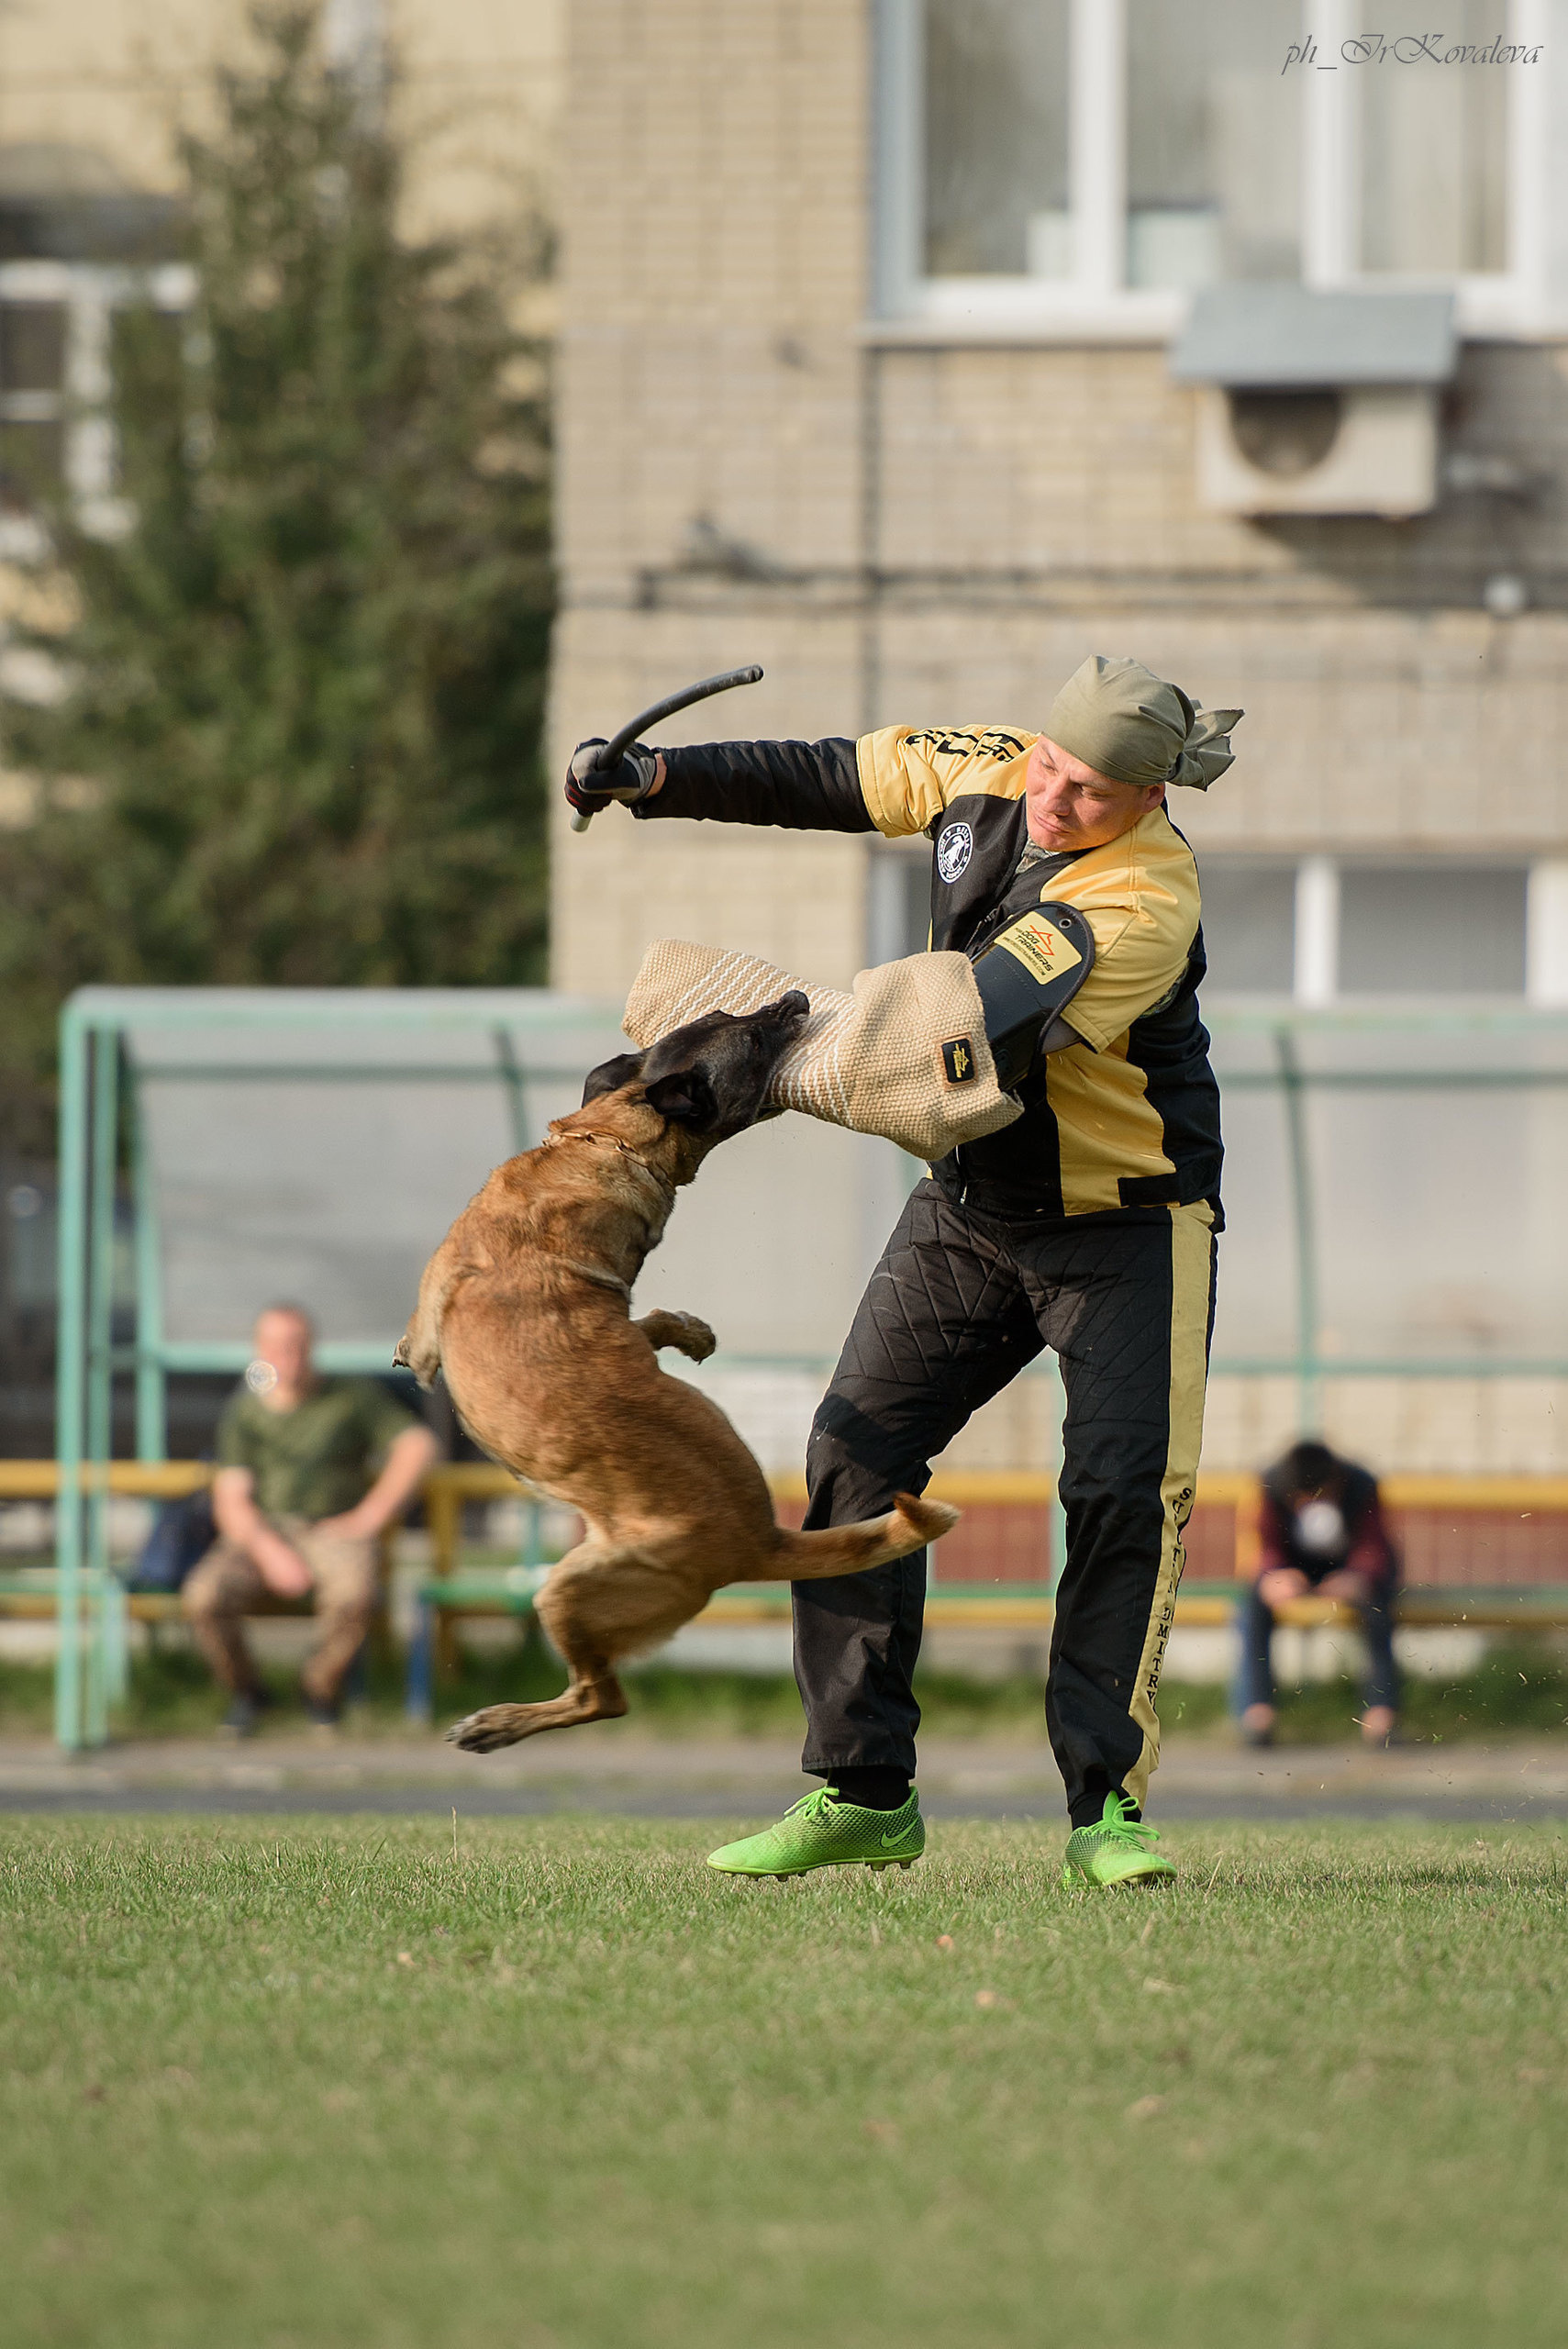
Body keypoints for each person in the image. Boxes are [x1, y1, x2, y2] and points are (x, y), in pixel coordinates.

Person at [566, 652, 1242, 1888]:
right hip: (972, 1214)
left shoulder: (1146, 900)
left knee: (1116, 1496)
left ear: (1150, 801)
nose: (1052, 798)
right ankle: (862, 1790)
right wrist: (657, 777)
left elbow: (967, 1028)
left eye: (1091, 792)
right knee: (852, 1454)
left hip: (1129, 1229)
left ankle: (1107, 1813)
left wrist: (763, 1049)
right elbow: (827, 775)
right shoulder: (987, 767)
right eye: (1049, 765)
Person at [183, 1303, 438, 1734]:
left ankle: (318, 1687)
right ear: (259, 1350)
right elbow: (233, 1500)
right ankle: (247, 1692)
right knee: (203, 1597)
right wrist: (271, 1552)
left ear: (312, 1347)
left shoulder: (350, 1396)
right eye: (277, 1346)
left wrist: (370, 1516)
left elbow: (417, 1445)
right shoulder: (245, 1411)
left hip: (333, 1527)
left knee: (355, 1594)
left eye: (297, 1345)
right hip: (262, 1531)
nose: (288, 1356)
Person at [1238, 1438, 1400, 1748]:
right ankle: (1258, 1711)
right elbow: (1264, 1543)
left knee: (1378, 1607)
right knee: (1252, 1605)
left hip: (1351, 1569)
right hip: (1294, 1569)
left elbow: (1374, 1546)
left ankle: (1381, 1713)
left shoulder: (1362, 1485)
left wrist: (1357, 1577)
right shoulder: (1271, 1485)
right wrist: (1275, 1575)